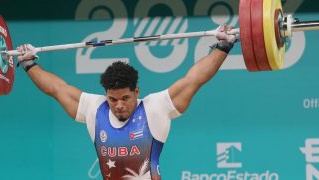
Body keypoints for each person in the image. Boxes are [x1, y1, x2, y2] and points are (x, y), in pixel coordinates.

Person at [17, 25, 236, 180]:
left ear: (136, 92)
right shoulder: (95, 109)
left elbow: (194, 80)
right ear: (106, 95)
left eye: (125, 98)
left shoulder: (155, 108)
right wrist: (29, 63)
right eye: (112, 99)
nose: (119, 104)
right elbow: (57, 88)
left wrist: (223, 47)